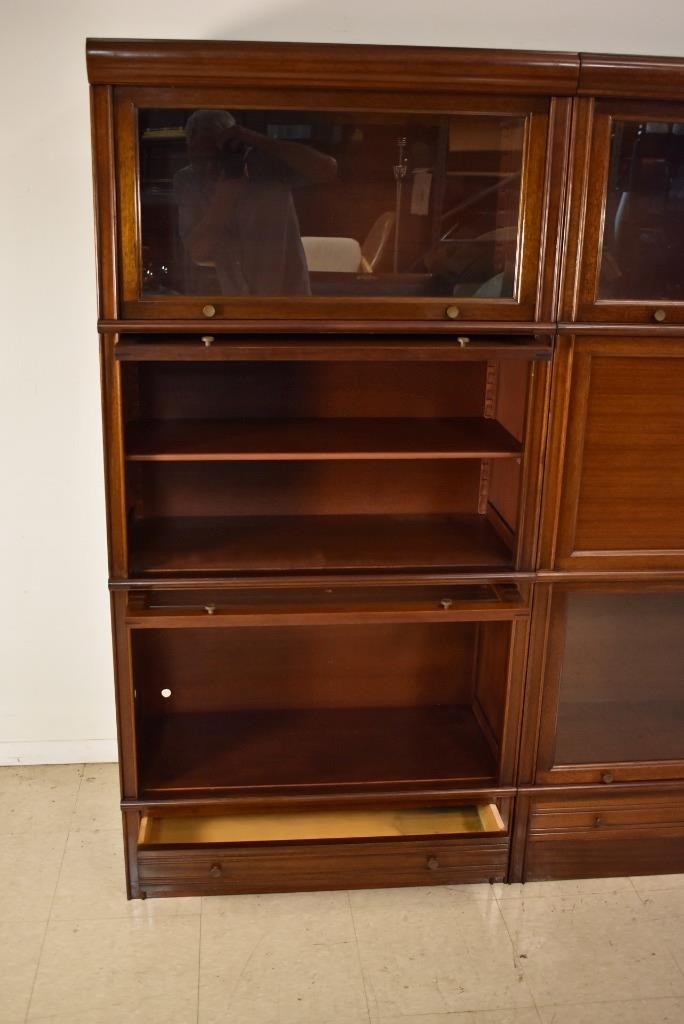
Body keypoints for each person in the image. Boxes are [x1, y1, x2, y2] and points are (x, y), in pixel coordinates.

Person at [174, 109, 337, 295]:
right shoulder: (188, 180)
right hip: (233, 298)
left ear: (237, 147)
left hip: (288, 294)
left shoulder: (266, 164)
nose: (209, 167)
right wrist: (224, 199)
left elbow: (328, 169)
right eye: (200, 159)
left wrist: (258, 140)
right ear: (189, 150)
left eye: (217, 157)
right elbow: (197, 250)